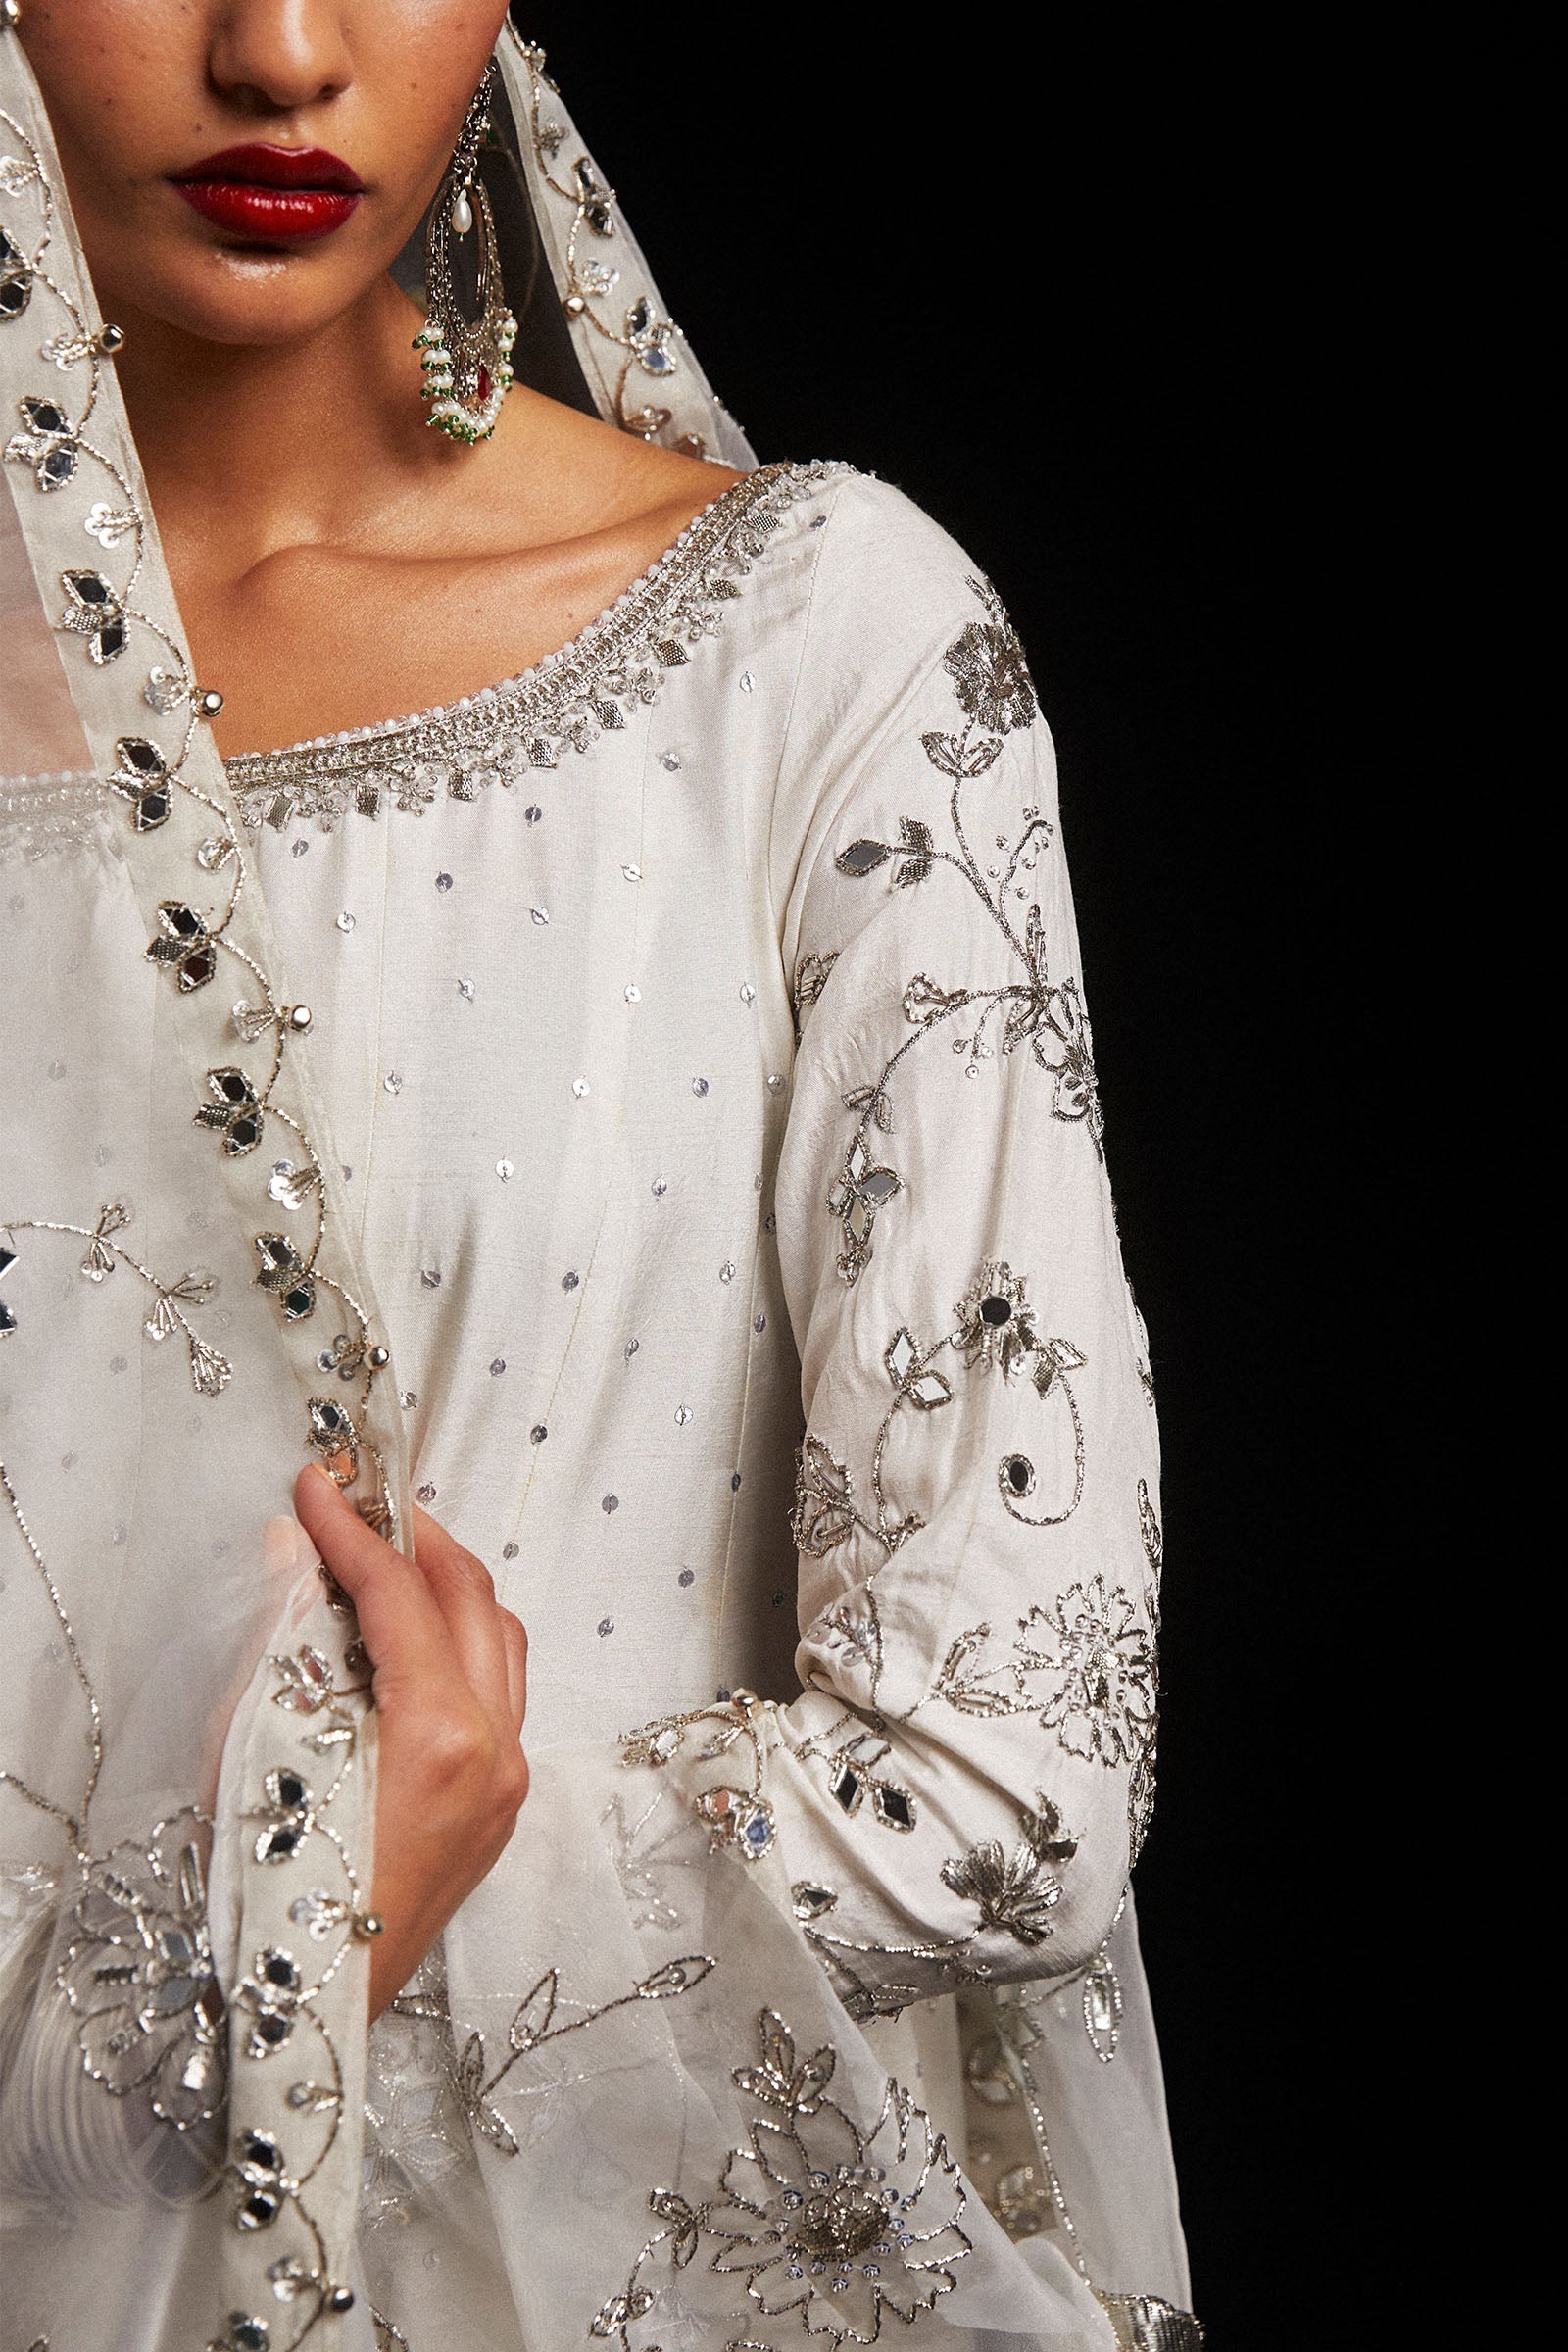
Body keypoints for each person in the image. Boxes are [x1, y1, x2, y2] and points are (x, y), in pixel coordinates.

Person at [0, 8, 1198, 2347]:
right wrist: (270, 1949)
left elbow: (1009, 1782)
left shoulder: (802, 650)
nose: (281, 50)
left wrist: (302, 1936)